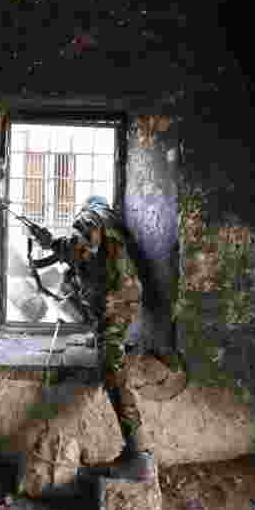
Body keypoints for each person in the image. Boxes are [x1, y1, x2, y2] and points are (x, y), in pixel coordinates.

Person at [22, 196, 156, 482]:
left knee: (112, 368)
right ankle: (137, 454)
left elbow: (82, 250)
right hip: (122, 298)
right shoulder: (111, 223)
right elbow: (88, 259)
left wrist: (50, 242)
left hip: (114, 300)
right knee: (108, 351)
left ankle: (138, 454)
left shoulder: (91, 215)